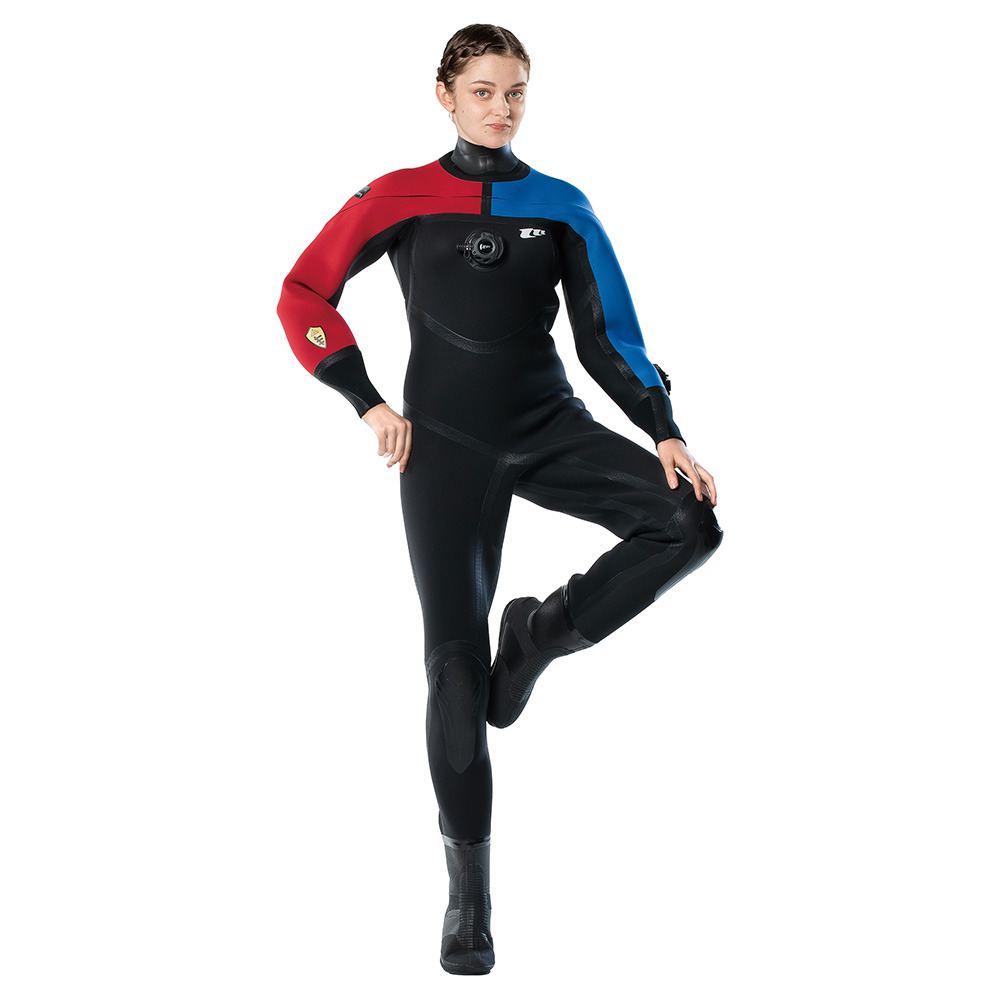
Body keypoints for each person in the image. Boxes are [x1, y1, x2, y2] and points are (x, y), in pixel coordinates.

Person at [276, 23, 723, 975]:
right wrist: (366, 400)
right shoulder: (398, 195)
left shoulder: (560, 205)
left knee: (688, 523)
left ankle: (536, 638)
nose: (501, 108)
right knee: (451, 676)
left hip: (548, 424)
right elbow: (303, 292)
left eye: (515, 91)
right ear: (444, 94)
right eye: (482, 90)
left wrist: (664, 429)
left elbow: (609, 335)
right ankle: (468, 900)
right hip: (444, 448)